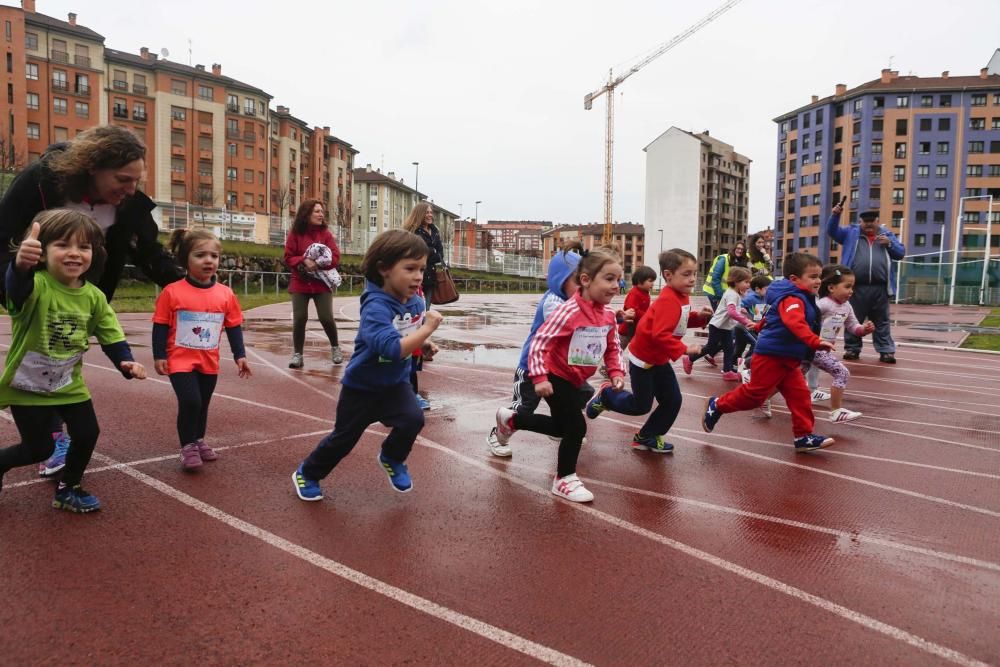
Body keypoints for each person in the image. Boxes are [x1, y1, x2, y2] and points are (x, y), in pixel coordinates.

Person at [0, 125, 183, 478]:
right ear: (91, 168)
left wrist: (187, 285)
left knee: (67, 352)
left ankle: (55, 441)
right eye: (123, 179)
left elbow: (149, 251)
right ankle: (53, 440)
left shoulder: (126, 203)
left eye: (136, 180)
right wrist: (15, 284)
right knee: (43, 352)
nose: (131, 189)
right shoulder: (41, 183)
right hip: (33, 291)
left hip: (86, 295)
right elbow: (2, 234)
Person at [0, 210, 146, 512]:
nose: (74, 253)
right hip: (29, 386)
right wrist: (20, 266)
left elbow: (111, 334)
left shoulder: (94, 297)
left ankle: (69, 488)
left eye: (84, 247)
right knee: (39, 448)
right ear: (42, 253)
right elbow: (16, 289)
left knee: (87, 432)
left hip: (68, 384)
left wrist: (126, 362)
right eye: (63, 245)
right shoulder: (37, 286)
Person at [292, 230, 441, 501]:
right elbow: (391, 347)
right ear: (384, 269)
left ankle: (392, 457)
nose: (419, 276)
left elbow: (408, 333)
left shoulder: (417, 301)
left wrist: (425, 343)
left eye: (422, 268)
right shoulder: (375, 306)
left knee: (413, 419)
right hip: (362, 388)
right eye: (410, 268)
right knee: (344, 439)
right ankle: (308, 472)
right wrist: (428, 328)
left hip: (395, 384)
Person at [493, 247, 625, 503]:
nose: (616, 286)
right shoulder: (569, 311)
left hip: (574, 377)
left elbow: (613, 346)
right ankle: (564, 479)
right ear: (586, 280)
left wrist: (617, 371)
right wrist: (540, 377)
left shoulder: (608, 314)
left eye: (618, 280)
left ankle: (512, 421)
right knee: (576, 427)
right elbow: (540, 342)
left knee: (563, 427)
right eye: (609, 279)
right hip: (554, 374)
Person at [702, 252, 838, 453]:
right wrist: (815, 341)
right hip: (771, 356)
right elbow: (794, 322)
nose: (818, 280)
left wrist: (760, 326)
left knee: (800, 397)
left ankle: (803, 436)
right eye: (813, 276)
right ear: (794, 279)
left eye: (819, 276)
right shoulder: (794, 298)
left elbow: (774, 315)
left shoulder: (799, 296)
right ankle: (717, 405)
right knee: (754, 397)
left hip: (789, 359)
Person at [584, 249, 711, 453]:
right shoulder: (669, 300)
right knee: (641, 405)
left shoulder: (681, 297)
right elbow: (659, 334)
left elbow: (680, 321)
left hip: (658, 358)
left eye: (694, 274)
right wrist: (685, 348)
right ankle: (606, 396)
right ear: (668, 275)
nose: (692, 279)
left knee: (672, 400)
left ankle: (647, 436)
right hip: (644, 359)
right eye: (686, 274)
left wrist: (700, 317)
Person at [153, 230, 252, 470]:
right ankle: (187, 446)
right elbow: (161, 325)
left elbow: (233, 326)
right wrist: (159, 355)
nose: (209, 261)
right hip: (179, 360)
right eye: (200, 255)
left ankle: (198, 439)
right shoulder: (172, 292)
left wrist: (240, 355)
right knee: (190, 401)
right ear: (185, 259)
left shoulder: (225, 294)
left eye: (214, 256)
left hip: (208, 360)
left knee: (203, 403)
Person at [487, 243, 586, 457]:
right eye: (578, 280)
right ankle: (499, 433)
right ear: (561, 279)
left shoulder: (575, 301)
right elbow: (571, 327)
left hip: (559, 368)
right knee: (524, 408)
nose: (583, 286)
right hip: (534, 366)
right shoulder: (554, 301)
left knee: (582, 393)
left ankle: (561, 426)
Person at [826, 201, 905, 364]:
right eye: (865, 222)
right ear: (860, 222)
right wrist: (835, 215)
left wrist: (889, 244)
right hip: (855, 287)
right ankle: (852, 349)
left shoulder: (887, 235)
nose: (868, 225)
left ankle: (886, 351)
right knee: (853, 319)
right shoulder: (850, 233)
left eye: (872, 222)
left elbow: (900, 253)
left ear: (877, 222)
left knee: (882, 321)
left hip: (880, 287)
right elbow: (832, 231)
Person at [805, 265, 875, 423]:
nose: (851, 291)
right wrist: (812, 339)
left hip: (822, 348)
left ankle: (762, 399)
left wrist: (864, 329)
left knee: (791, 376)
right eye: (847, 286)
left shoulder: (847, 306)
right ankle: (836, 411)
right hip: (813, 347)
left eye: (852, 287)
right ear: (831, 287)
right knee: (841, 373)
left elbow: (853, 327)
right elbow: (806, 321)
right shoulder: (822, 304)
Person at [284, 199, 343, 369]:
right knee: (300, 317)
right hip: (300, 282)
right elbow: (288, 257)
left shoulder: (326, 234)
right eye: (317, 211)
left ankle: (335, 348)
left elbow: (336, 257)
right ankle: (298, 355)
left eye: (322, 211)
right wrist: (304, 259)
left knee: (326, 317)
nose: (321, 214)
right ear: (306, 214)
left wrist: (318, 263)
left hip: (321, 283)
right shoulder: (295, 233)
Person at [684, 266, 756, 381]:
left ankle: (727, 371)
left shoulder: (735, 293)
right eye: (746, 282)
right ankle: (690, 359)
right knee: (710, 347)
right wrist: (746, 321)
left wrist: (740, 310)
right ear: (736, 282)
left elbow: (732, 309)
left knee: (729, 347)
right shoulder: (732, 294)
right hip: (718, 326)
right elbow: (731, 311)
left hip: (726, 327)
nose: (748, 285)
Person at [403, 202, 444, 310]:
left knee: (426, 310)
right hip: (415, 277)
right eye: (427, 212)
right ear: (420, 214)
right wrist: (432, 251)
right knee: (414, 309)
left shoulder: (434, 231)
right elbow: (416, 252)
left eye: (431, 212)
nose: (430, 215)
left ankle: (423, 326)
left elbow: (440, 254)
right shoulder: (413, 231)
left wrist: (431, 252)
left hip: (430, 277)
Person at [702, 241, 749, 311]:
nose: (740, 251)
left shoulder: (740, 262)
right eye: (738, 248)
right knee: (717, 317)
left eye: (742, 249)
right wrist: (720, 297)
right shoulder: (724, 259)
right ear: (734, 248)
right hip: (714, 293)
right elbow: (715, 279)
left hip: (726, 295)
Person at [618, 266, 656, 351]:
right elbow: (632, 310)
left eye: (653, 281)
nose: (652, 284)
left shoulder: (645, 293)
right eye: (650, 281)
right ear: (639, 281)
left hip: (638, 328)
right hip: (628, 328)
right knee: (619, 349)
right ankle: (610, 363)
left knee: (641, 347)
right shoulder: (634, 293)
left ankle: (640, 361)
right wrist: (647, 315)